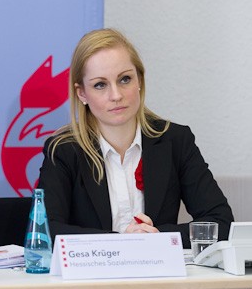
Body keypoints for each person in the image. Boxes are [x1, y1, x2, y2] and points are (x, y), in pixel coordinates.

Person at [37, 28, 233, 248]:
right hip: (92, 278)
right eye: (100, 85)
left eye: (125, 79)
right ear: (82, 93)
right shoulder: (63, 150)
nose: (116, 95)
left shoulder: (175, 140)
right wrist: (124, 242)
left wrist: (158, 237)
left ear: (139, 80)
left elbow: (220, 222)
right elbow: (46, 231)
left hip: (161, 277)